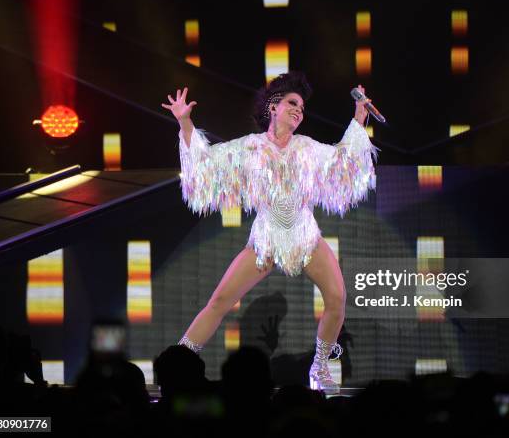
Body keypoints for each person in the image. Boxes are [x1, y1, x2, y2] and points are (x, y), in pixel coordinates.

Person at [161, 72, 378, 395]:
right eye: (293, 103)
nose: (298, 111)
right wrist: (185, 122)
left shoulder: (307, 147)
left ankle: (319, 368)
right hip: (266, 241)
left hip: (306, 238)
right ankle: (178, 365)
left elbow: (344, 160)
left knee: (337, 298)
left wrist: (359, 119)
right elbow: (206, 162)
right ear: (274, 107)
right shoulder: (250, 147)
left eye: (302, 108)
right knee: (219, 301)